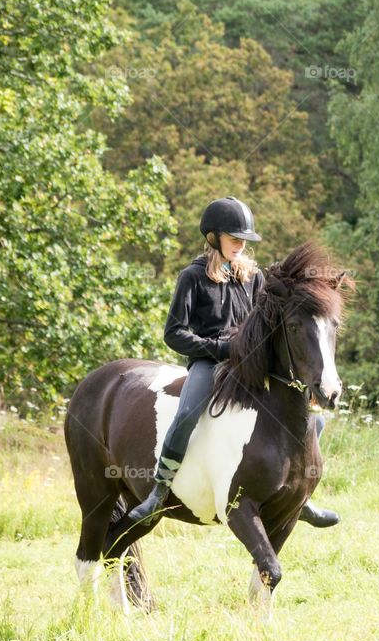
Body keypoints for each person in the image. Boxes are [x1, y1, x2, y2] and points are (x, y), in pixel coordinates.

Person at [127, 196, 340, 529]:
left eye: (245, 239)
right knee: (185, 414)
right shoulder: (192, 277)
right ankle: (159, 489)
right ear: (213, 238)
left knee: (313, 421)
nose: (241, 244)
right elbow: (174, 333)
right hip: (208, 364)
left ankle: (301, 497)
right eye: (234, 238)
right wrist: (219, 349)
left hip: (249, 366)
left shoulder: (253, 278)